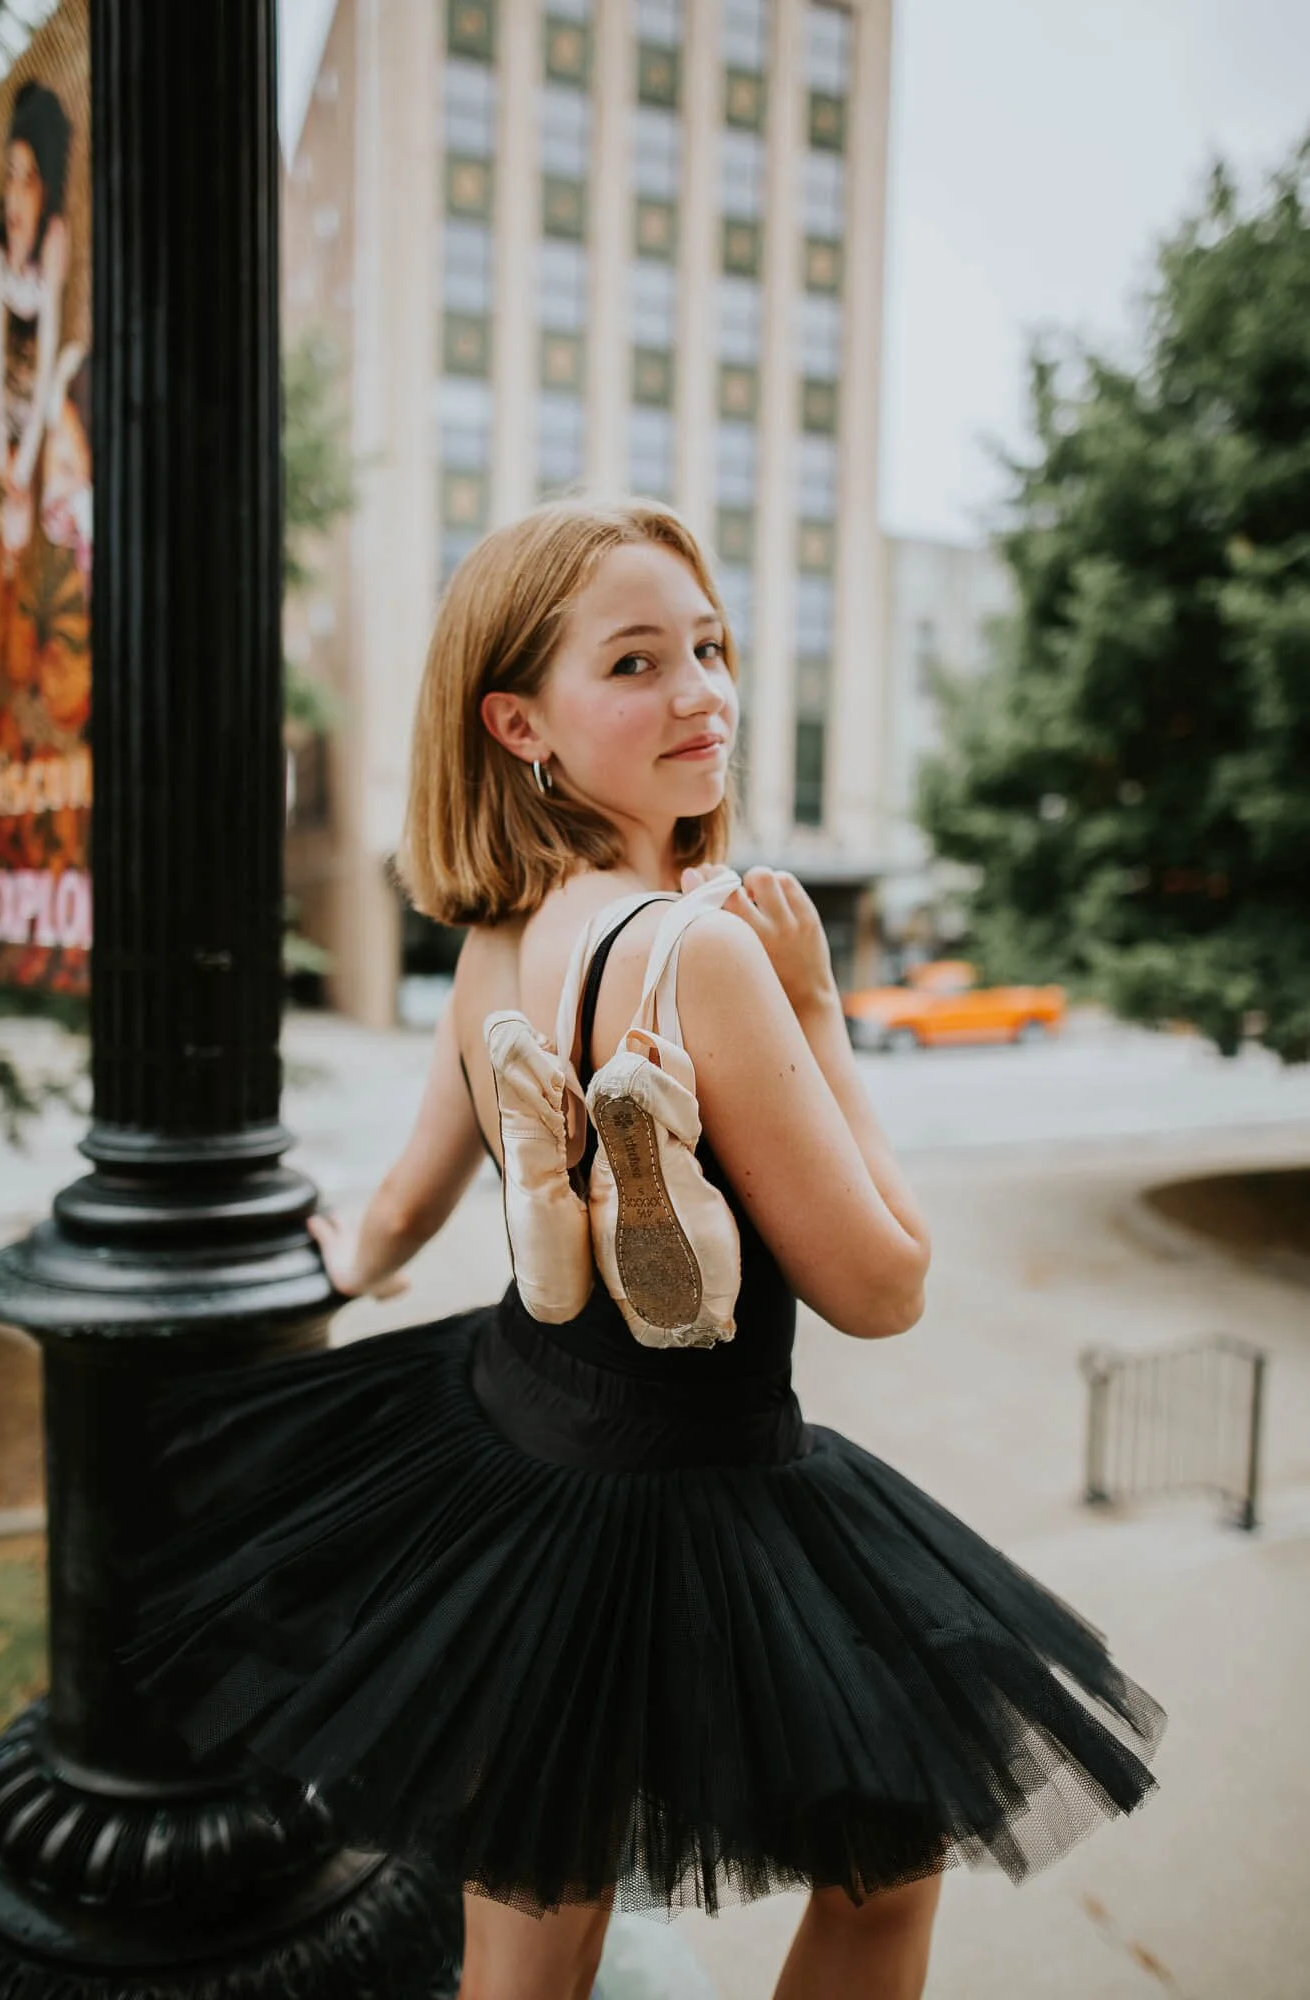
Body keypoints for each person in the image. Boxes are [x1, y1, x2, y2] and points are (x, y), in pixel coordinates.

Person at [122, 500, 1163, 2000]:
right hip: (684, 1485)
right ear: (519, 724)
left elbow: (409, 1197)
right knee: (886, 1875)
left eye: (709, 645)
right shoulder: (706, 953)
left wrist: (341, 1261)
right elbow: (884, 1287)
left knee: (529, 1939)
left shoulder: (499, 932)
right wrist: (815, 1009)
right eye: (634, 662)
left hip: (507, 1449)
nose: (702, 693)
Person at [0, 80, 71, 568]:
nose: (14, 193)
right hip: (12, 392)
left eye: (28, 178)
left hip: (40, 381)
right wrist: (1, 457)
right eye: (10, 175)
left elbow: (48, 351)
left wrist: (18, 460)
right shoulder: (0, 253)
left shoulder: (52, 241)